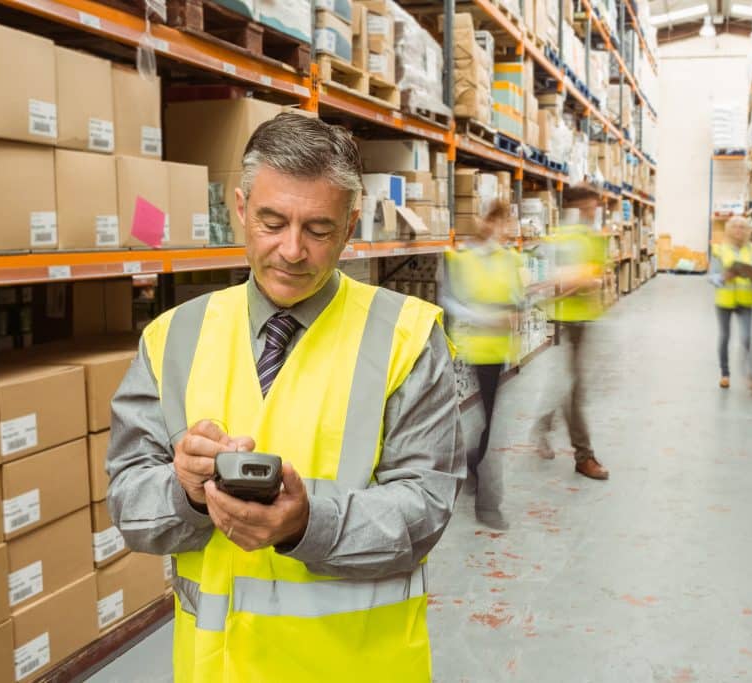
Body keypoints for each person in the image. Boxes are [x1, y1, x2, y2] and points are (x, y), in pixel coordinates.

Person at [106, 113, 465, 681]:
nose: (292, 250)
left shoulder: (407, 339)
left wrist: (306, 524)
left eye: (318, 230)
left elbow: (424, 511)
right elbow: (129, 506)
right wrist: (187, 493)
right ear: (241, 207)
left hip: (356, 668)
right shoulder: (173, 338)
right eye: (272, 222)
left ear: (350, 227)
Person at [441, 201, 526, 530]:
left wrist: (515, 312)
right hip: (472, 349)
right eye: (503, 222)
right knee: (494, 426)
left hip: (502, 350)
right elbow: (449, 301)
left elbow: (517, 298)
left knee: (491, 422)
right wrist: (485, 318)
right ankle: (488, 505)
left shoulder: (511, 258)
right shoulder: (462, 259)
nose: (507, 229)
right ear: (489, 222)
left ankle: (473, 462)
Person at [532, 186, 610, 481]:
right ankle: (583, 456)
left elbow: (597, 271)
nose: (592, 212)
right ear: (574, 207)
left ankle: (542, 425)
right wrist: (579, 278)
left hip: (585, 318)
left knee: (569, 385)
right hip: (565, 319)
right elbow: (552, 278)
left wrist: (590, 279)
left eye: (594, 207)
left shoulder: (592, 237)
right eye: (587, 207)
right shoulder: (562, 238)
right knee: (574, 389)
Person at [708, 216, 752, 394]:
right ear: (728, 230)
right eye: (735, 226)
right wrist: (723, 277)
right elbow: (712, 276)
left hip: (745, 300)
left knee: (747, 338)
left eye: (742, 227)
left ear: (747, 231)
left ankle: (751, 377)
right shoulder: (719, 250)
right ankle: (725, 374)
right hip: (724, 300)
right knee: (725, 337)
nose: (738, 230)